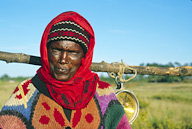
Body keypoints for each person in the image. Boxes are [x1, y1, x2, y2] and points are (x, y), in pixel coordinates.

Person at [0, 11, 132, 129]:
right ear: (46, 51)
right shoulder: (25, 94)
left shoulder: (104, 95)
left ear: (84, 57)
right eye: (56, 50)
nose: (63, 59)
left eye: (73, 52)